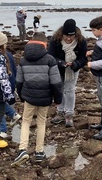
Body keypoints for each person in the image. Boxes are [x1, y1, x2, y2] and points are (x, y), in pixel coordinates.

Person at [11, 32, 63, 167]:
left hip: (29, 96)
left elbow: (19, 82)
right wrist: (58, 99)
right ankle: (39, 152)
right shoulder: (50, 60)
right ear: (44, 44)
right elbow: (56, 82)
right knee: (41, 122)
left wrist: (22, 96)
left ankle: (22, 149)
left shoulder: (23, 60)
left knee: (26, 121)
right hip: (45, 97)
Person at [48, 19, 87, 127]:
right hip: (58, 68)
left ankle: (69, 114)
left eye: (71, 36)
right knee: (59, 89)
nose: (69, 38)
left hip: (72, 70)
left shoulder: (81, 41)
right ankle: (60, 112)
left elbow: (83, 59)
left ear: (75, 34)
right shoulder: (54, 40)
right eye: (66, 36)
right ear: (62, 34)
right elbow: (50, 57)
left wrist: (75, 64)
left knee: (69, 90)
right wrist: (61, 63)